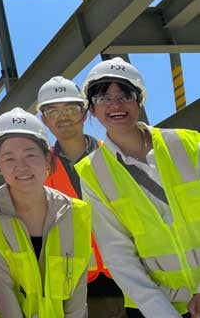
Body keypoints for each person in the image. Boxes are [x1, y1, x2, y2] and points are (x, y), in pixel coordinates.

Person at [75, 57, 200, 318]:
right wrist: (163, 314)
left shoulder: (186, 143)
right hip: (158, 307)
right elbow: (118, 254)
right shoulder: (92, 172)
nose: (116, 105)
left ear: (139, 100)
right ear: (92, 109)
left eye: (125, 95)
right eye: (103, 98)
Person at [0, 107, 90, 318]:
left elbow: (77, 289)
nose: (22, 167)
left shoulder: (75, 212)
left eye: (30, 155)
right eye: (9, 159)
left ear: (47, 159)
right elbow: (3, 289)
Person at [37, 76, 125, 317]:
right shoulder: (41, 170)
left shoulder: (115, 156)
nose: (62, 116)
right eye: (53, 111)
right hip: (77, 286)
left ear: (85, 113)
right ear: (44, 119)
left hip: (129, 274)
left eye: (70, 109)